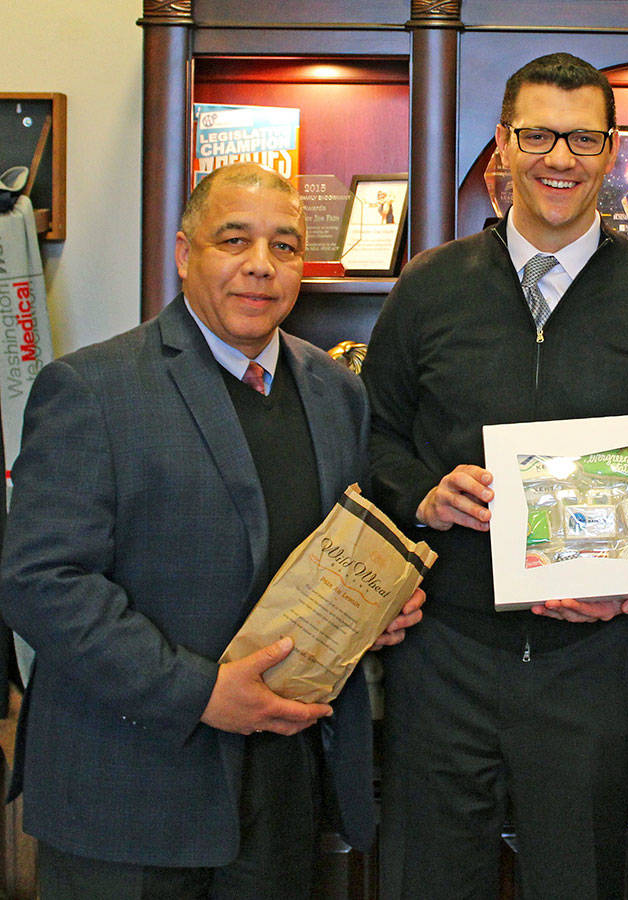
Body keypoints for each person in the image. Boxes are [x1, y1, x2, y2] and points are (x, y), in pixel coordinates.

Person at [0, 162, 423, 899]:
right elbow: (40, 583)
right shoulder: (92, 389)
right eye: (235, 240)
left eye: (285, 246)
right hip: (128, 796)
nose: (260, 266)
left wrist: (373, 611)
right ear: (184, 252)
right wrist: (200, 693)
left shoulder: (337, 393)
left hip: (283, 792)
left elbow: (326, 556)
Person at [360, 52, 628, 898]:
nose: (559, 158)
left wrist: (625, 581)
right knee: (431, 881)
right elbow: (371, 437)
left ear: (612, 150)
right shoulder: (427, 289)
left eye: (583, 137)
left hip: (590, 660)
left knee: (579, 879)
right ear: (502, 144)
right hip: (442, 652)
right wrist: (421, 490)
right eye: (538, 135)